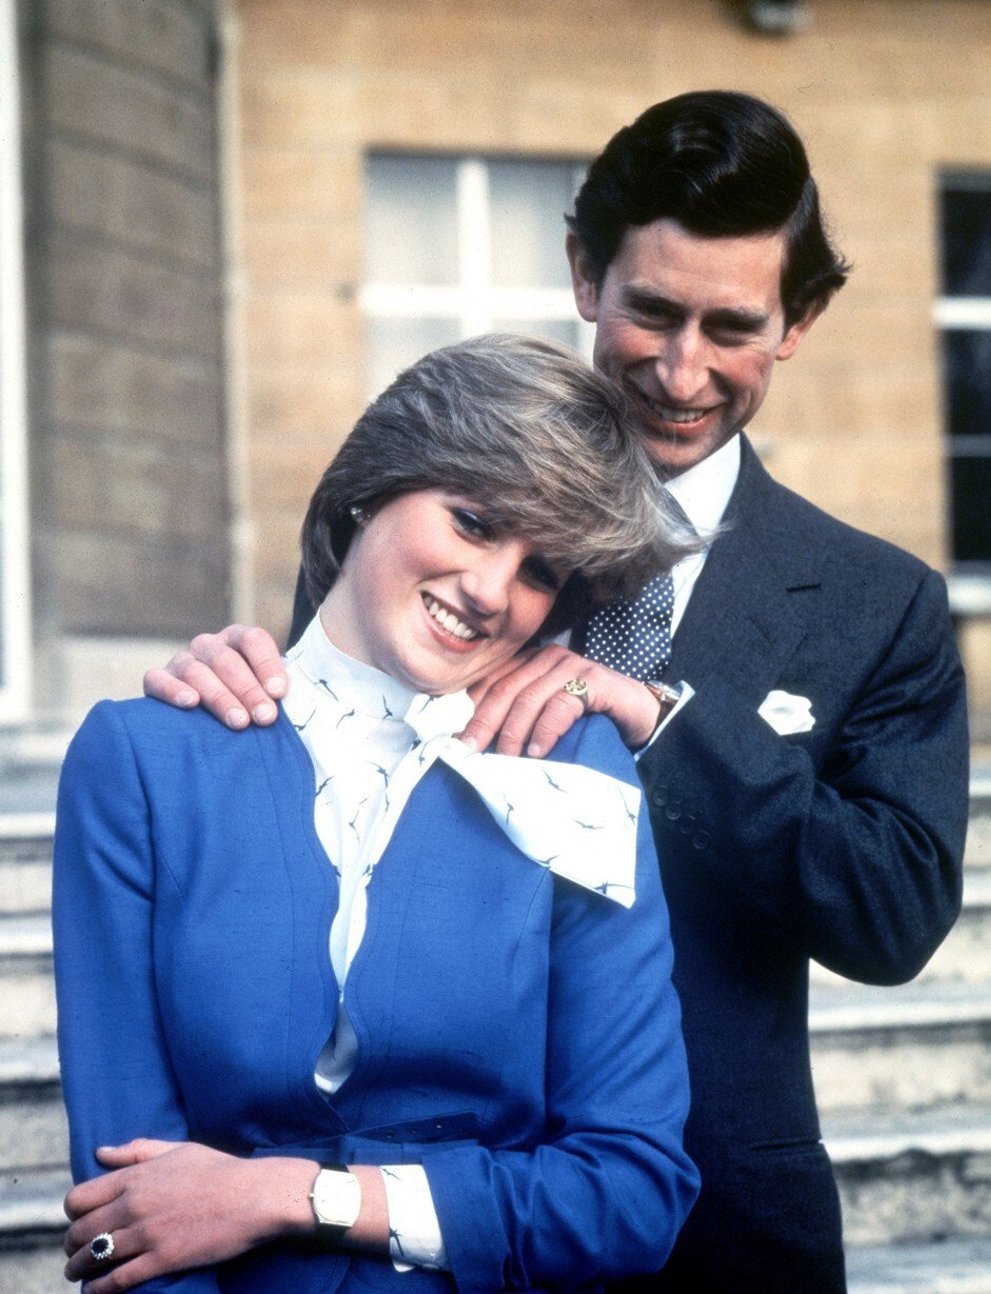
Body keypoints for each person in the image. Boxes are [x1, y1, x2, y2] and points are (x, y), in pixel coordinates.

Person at [141, 92, 970, 1290]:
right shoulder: (445, 534)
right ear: (585, 273)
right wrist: (228, 693)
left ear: (800, 320)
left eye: (731, 326)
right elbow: (316, 785)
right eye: (651, 311)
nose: (682, 371)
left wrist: (663, 722)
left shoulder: (874, 600)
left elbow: (892, 914)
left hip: (727, 1222)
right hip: (427, 1221)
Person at [54, 334, 701, 1294]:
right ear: (371, 488)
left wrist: (292, 1195)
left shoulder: (575, 766)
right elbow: (126, 1206)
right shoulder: (143, 761)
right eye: (475, 522)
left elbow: (630, 1192)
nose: (492, 594)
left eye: (540, 572)